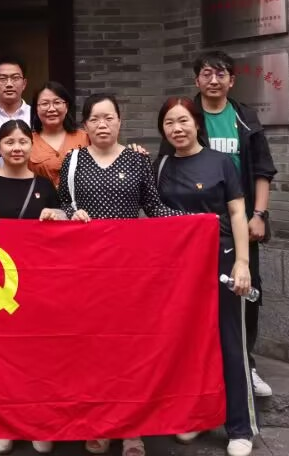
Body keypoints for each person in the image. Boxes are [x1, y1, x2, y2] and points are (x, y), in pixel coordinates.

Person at [50, 93, 181, 456]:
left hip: (128, 273)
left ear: (120, 121)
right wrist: (70, 214)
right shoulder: (73, 160)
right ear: (85, 125)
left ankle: (131, 430)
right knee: (92, 349)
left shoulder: (138, 160)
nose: (102, 125)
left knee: (129, 350)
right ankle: (98, 423)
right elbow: (63, 204)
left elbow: (154, 208)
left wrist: (196, 222)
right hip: (85, 271)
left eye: (109, 118)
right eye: (95, 119)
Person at [160, 51, 277, 398]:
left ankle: (246, 364)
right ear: (196, 80)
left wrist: (259, 215)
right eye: (207, 74)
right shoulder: (186, 114)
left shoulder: (245, 118)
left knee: (246, 290)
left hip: (238, 222)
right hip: (194, 229)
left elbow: (263, 169)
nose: (214, 80)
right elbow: (166, 168)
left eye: (221, 74)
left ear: (232, 80)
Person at [155, 97, 257, 456]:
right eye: (169, 123)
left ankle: (240, 428)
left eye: (183, 120)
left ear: (197, 123)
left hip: (220, 259)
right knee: (186, 341)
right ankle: (195, 416)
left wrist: (242, 262)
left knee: (229, 341)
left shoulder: (220, 162)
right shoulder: (160, 165)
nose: (177, 129)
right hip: (178, 268)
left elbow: (237, 212)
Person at [0, 119, 60, 456]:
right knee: (2, 356)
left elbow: (62, 224)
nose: (16, 148)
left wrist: (57, 215)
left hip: (39, 284)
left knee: (39, 355)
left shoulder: (44, 185)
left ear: (31, 145)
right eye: (9, 142)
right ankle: (4, 423)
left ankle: (39, 422)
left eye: (23, 141)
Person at [28, 81, 89, 187]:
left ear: (66, 106)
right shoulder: (27, 142)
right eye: (44, 104)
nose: (51, 109)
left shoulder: (85, 138)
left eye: (57, 102)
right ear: (36, 109)